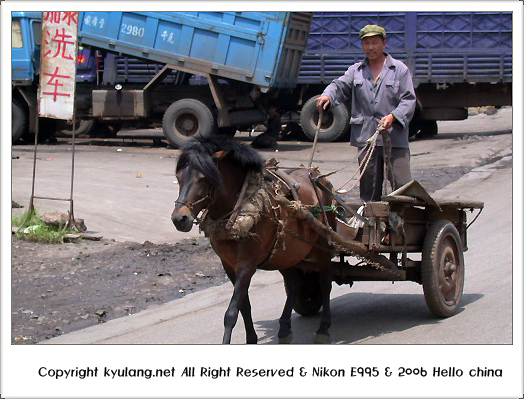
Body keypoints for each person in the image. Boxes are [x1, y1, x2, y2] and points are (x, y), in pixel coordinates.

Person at [316, 24, 416, 202]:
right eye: (366, 43)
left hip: (395, 138)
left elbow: (408, 100)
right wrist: (327, 96)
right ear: (362, 46)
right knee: (369, 193)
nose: (370, 47)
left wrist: (393, 117)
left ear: (384, 43)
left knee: (403, 189)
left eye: (375, 42)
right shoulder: (356, 71)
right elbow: (339, 85)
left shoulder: (399, 70)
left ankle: (403, 226)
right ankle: (372, 227)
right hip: (366, 139)